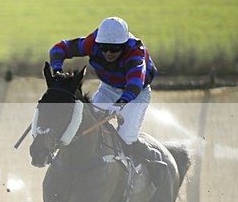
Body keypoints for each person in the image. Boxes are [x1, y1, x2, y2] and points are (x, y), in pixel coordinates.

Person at [49, 16, 166, 180]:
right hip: (108, 88)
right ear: (98, 43)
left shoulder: (135, 53)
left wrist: (121, 103)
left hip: (136, 94)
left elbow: (135, 83)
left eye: (115, 49)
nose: (109, 53)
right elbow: (58, 49)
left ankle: (152, 157)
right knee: (86, 123)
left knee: (126, 136)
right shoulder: (92, 43)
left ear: (124, 46)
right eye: (104, 48)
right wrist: (57, 69)